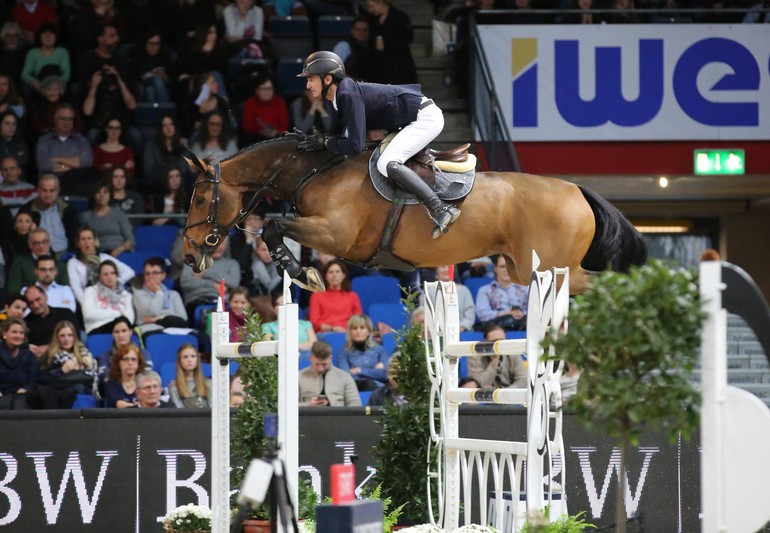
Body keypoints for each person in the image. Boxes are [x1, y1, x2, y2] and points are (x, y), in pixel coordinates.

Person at [296, 51, 460, 239]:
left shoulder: (347, 95)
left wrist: (325, 142)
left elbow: (355, 145)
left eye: (310, 79)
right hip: (410, 119)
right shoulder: (338, 96)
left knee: (387, 163)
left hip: (425, 119)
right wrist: (319, 141)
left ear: (327, 80)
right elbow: (336, 133)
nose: (307, 85)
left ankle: (440, 208)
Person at [35, 103, 95, 196]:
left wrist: (58, 160)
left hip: (76, 185)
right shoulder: (44, 140)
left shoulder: (82, 140)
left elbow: (87, 162)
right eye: (62, 119)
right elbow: (44, 164)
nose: (66, 123)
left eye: (69, 119)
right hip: (51, 185)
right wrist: (72, 166)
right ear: (55, 119)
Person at [180, 236, 241, 324]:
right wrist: (213, 285)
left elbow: (234, 283)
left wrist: (204, 274)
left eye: (221, 244)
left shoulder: (232, 264)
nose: (218, 248)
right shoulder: (193, 261)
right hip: (197, 300)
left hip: (222, 301)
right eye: (214, 245)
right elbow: (185, 282)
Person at [36, 320, 97, 408]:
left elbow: (91, 378)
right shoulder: (50, 355)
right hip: (57, 393)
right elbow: (41, 379)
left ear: (74, 337)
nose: (66, 339)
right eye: (62, 336)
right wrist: (62, 370)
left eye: (70, 335)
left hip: (80, 390)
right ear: (57, 337)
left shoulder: (84, 354)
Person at [67, 226, 134, 305]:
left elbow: (130, 272)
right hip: (88, 300)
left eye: (89, 238)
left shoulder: (104, 258)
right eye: (83, 239)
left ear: (95, 241)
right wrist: (86, 305)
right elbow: (76, 288)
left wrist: (115, 282)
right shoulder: (73, 262)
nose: (86, 242)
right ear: (78, 244)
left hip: (110, 298)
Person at [23, 175, 80, 255]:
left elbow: (75, 235)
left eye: (52, 190)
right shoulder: (27, 210)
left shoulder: (68, 209)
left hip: (65, 256)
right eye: (44, 190)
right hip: (38, 256)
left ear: (58, 191)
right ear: (38, 190)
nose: (48, 194)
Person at [132, 256, 188, 338]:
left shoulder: (173, 294)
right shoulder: (139, 294)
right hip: (149, 329)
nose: (150, 277)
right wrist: (159, 293)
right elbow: (152, 311)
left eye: (154, 273)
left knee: (200, 337)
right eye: (147, 273)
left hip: (174, 329)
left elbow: (183, 318)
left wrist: (160, 318)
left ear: (163, 275)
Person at [365, 0, 418, 85]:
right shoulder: (372, 19)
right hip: (378, 68)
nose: (370, 9)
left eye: (372, 6)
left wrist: (386, 44)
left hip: (399, 67)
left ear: (380, 2)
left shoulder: (400, 17)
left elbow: (408, 37)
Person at [79, 181, 135, 256]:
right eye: (98, 192)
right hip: (97, 254)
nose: (102, 195)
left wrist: (120, 249)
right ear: (93, 196)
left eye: (105, 192)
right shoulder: (85, 217)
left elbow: (131, 240)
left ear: (110, 195)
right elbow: (81, 240)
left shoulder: (119, 214)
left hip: (121, 254)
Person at [24, 284, 80, 358]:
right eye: (31, 303)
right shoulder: (26, 323)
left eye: (38, 299)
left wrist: (51, 348)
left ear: (46, 297)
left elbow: (76, 339)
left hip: (67, 355)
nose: (36, 305)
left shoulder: (66, 314)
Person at [298, 340, 361, 406]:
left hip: (337, 415)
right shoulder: (299, 377)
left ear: (330, 358)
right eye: (317, 364)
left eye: (324, 364)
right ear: (311, 358)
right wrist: (308, 405)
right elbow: (290, 407)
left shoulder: (344, 377)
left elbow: (355, 404)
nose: (320, 368)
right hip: (308, 415)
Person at [7, 228, 69, 294]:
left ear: (50, 243)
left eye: (44, 242)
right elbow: (13, 291)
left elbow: (66, 292)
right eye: (37, 243)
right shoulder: (19, 262)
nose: (41, 246)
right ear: (30, 245)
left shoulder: (60, 265)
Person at [96, 315, 152, 386]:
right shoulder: (105, 357)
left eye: (124, 331)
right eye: (117, 332)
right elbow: (105, 378)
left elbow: (147, 375)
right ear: (113, 334)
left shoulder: (143, 353)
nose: (121, 335)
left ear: (130, 332)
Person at [475, 255, 528, 331]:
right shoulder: (484, 290)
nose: (506, 270)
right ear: (495, 269)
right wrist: (508, 313)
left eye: (509, 267)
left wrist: (522, 313)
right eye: (502, 267)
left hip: (524, 325)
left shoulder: (525, 289)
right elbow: (483, 315)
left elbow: (535, 311)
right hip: (496, 326)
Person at [308, 259, 362, 333]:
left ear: (343, 275)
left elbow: (359, 319)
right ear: (326, 276)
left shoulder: (352, 296)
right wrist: (332, 328)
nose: (334, 275)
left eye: (337, 271)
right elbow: (314, 322)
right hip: (326, 332)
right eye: (331, 272)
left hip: (349, 332)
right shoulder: (317, 296)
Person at [337, 314, 390, 389]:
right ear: (350, 332)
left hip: (378, 388)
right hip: (355, 388)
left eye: (362, 328)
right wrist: (374, 371)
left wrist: (359, 370)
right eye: (354, 328)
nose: (358, 331)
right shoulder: (344, 352)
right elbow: (345, 376)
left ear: (369, 331)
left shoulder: (380, 350)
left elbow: (385, 374)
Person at [81, 259, 134, 334]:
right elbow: (88, 315)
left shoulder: (126, 295)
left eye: (112, 273)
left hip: (121, 330)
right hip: (97, 328)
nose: (109, 277)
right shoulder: (90, 291)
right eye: (105, 274)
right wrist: (117, 314)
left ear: (117, 275)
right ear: (100, 277)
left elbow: (130, 320)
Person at [467, 324, 527, 389]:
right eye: (494, 341)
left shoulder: (513, 353)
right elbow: (479, 384)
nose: (499, 344)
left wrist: (505, 392)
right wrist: (493, 363)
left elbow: (523, 380)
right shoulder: (475, 356)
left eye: (502, 340)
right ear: (485, 342)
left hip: (509, 393)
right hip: (485, 395)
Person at [143, 115, 192, 191]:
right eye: (164, 125)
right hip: (159, 186)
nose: (168, 128)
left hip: (180, 187)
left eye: (171, 124)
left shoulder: (183, 147)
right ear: (160, 129)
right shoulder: (151, 146)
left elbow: (183, 169)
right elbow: (149, 171)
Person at [20, 23, 70, 96]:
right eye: (45, 34)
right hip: (39, 85)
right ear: (39, 37)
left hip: (58, 86)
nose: (48, 37)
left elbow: (66, 74)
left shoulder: (62, 52)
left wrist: (56, 85)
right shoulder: (32, 53)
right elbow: (25, 74)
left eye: (51, 34)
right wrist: (36, 83)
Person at [421, 265, 476, 331]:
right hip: (436, 333)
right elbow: (425, 315)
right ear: (436, 271)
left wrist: (460, 328)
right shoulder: (428, 291)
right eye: (443, 266)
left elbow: (470, 315)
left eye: (449, 267)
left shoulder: (464, 290)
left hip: (462, 332)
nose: (447, 269)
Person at [127, 31, 174, 104]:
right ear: (145, 44)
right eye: (151, 44)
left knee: (150, 90)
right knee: (156, 80)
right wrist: (151, 73)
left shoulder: (164, 56)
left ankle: (155, 113)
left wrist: (164, 75)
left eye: (157, 44)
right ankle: (164, 111)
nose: (154, 47)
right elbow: (134, 75)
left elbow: (171, 74)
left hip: (161, 84)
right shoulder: (138, 56)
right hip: (145, 81)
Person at [0, 318, 37, 410]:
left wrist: (25, 389)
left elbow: (32, 380)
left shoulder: (29, 355)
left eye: (21, 333)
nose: (18, 335)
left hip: (22, 395)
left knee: (20, 404)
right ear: (4, 334)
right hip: (2, 395)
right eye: (14, 332)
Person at [240, 75, 289, 145]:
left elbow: (284, 125)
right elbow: (247, 126)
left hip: (277, 138)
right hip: (256, 138)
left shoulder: (280, 102)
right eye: (264, 89)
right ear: (257, 91)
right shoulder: (250, 103)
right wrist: (260, 131)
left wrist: (276, 132)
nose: (267, 92)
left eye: (270, 89)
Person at [332, 17, 375, 81]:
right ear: (352, 31)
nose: (362, 33)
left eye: (365, 30)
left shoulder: (370, 47)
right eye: (358, 30)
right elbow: (334, 69)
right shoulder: (344, 45)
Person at [168, 343, 210, 408]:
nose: (189, 360)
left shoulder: (209, 383)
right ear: (180, 361)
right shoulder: (174, 385)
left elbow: (213, 408)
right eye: (185, 357)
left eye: (193, 356)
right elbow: (179, 411)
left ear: (197, 360)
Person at [104, 343, 144, 407]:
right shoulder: (111, 384)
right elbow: (119, 404)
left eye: (133, 359)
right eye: (126, 359)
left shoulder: (144, 383)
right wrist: (141, 408)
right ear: (119, 363)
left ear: (138, 363)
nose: (130, 363)